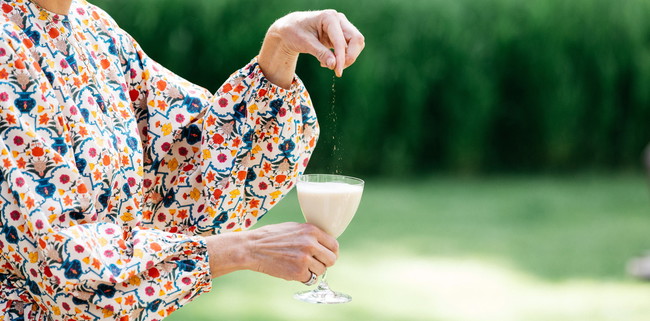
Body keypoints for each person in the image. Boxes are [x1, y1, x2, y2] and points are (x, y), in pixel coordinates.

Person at [0, 0, 364, 319]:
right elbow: (58, 266)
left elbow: (200, 173)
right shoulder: (7, 45)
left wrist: (280, 47)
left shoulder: (97, 33)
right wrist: (245, 249)